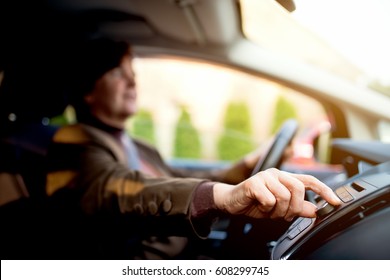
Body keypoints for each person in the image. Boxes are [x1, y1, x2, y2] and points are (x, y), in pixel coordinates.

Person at [44, 38, 341, 260]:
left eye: (131, 71)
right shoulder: (74, 140)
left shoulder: (136, 145)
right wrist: (223, 195)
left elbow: (176, 176)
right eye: (118, 73)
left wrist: (247, 165)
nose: (132, 80)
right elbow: (118, 190)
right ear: (88, 91)